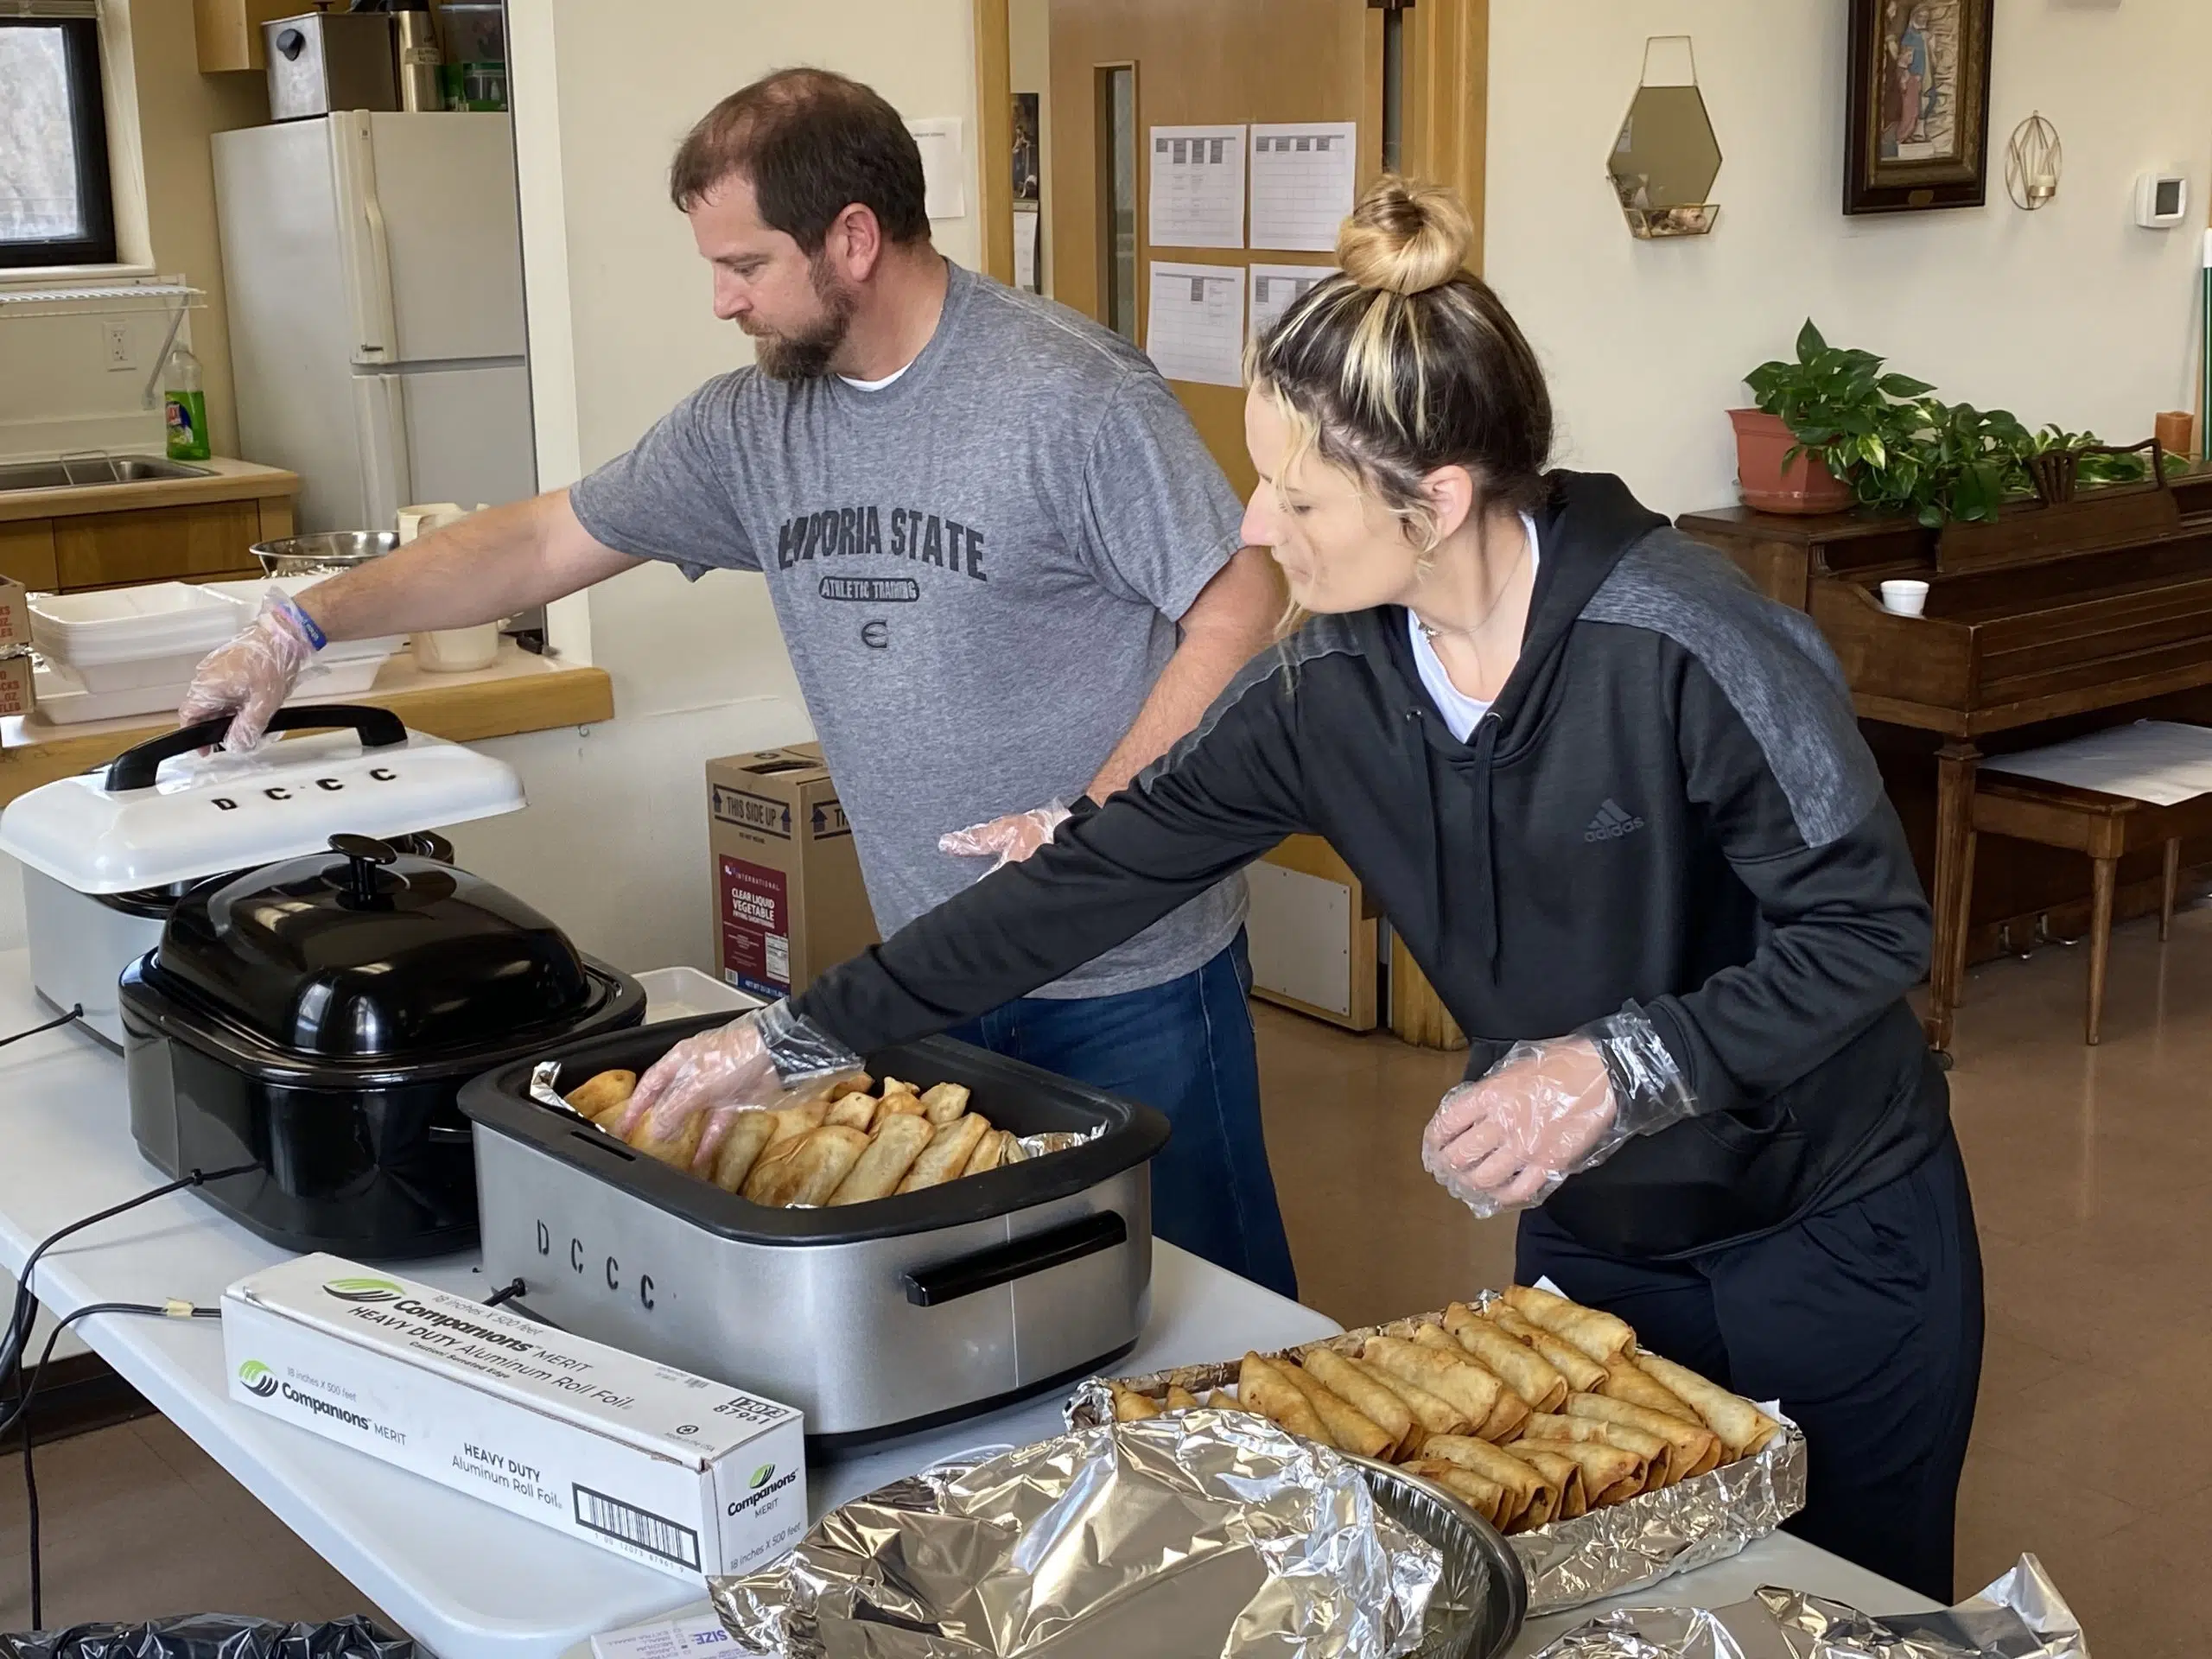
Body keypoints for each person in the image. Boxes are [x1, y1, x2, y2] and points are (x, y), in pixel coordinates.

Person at [622, 176, 1984, 1600]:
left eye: (1298, 492)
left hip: (1833, 1219)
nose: (1260, 530)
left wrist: (1622, 1069)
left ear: (1437, 498)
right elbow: (1087, 883)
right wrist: (794, 1037)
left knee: (1848, 1604)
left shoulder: (1685, 642)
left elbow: (1872, 929)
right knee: (1617, 1590)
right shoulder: (1325, 690)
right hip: (1603, 1219)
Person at [173, 67, 1297, 1297]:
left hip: (1127, 967)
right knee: (1027, 1301)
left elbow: (1240, 595)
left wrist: (1094, 818)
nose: (722, 300)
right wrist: (300, 621)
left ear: (853, 240)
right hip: (930, 964)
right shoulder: (755, 425)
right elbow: (544, 541)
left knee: (1209, 1303)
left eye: (746, 265)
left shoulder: (1070, 394)